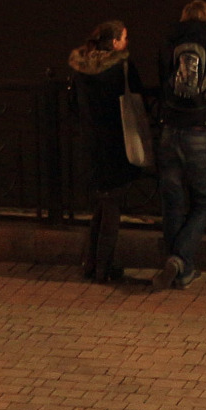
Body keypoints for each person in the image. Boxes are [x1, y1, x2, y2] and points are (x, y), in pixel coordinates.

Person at [150, 0, 206, 290]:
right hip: (200, 128)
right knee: (202, 202)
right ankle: (181, 261)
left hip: (170, 129)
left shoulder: (169, 39)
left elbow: (161, 80)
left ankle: (180, 269)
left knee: (172, 202)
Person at [66, 19, 143, 283]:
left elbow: (73, 107)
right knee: (112, 206)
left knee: (101, 203)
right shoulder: (121, 67)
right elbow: (137, 96)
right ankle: (103, 269)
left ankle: (91, 263)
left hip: (90, 145)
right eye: (123, 38)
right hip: (116, 143)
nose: (126, 42)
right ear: (113, 43)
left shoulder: (80, 69)